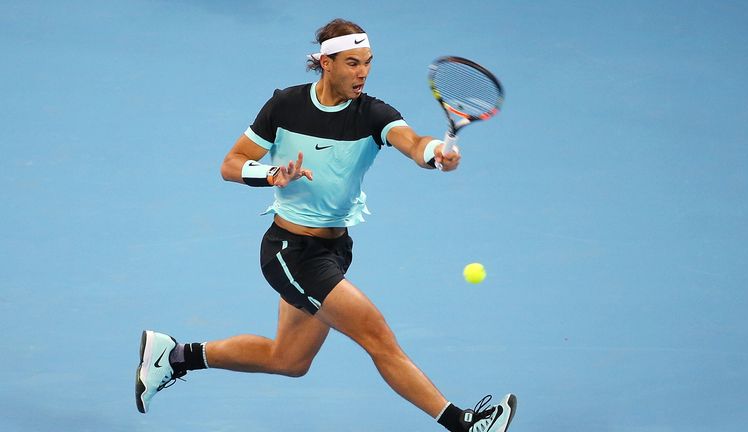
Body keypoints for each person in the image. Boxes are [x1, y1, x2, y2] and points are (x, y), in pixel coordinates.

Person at [134, 18, 516, 432]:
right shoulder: (285, 106)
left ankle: (173, 356)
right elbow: (230, 163)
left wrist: (436, 153)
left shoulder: (373, 113)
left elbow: (413, 142)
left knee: (289, 360)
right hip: (291, 253)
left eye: (368, 62)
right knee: (378, 339)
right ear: (325, 63)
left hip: (335, 249)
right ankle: (464, 424)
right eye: (352, 63)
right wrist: (269, 174)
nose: (362, 72)